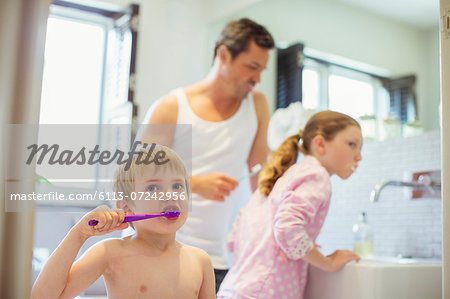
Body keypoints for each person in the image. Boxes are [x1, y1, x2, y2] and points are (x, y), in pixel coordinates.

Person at [139, 18, 275, 291]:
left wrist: (284, 221)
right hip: (160, 252)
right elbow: (137, 180)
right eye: (252, 67)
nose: (258, 78)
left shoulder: (257, 105)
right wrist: (196, 184)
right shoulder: (171, 108)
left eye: (262, 69)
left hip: (218, 258)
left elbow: (260, 176)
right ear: (223, 54)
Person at [31, 146, 216, 299]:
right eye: (153, 187)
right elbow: (44, 296)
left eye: (177, 186)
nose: (170, 194)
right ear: (127, 208)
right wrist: (78, 234)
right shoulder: (111, 253)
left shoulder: (201, 261)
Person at [217, 110, 363, 299]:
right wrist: (328, 262)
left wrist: (302, 247)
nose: (359, 156)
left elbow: (233, 238)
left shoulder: (281, 179)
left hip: (235, 289)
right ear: (320, 144)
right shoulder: (317, 176)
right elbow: (287, 229)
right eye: (352, 145)